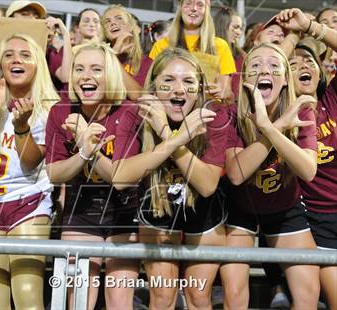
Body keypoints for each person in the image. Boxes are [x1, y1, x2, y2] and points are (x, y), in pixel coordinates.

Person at [112, 47, 229, 309]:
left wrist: (166, 132)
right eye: (169, 81)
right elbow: (120, 178)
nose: (179, 89)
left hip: (204, 210)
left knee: (198, 296)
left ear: (199, 90)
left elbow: (208, 185)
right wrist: (178, 136)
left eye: (188, 81)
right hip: (158, 205)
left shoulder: (215, 116)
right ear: (153, 87)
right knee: (163, 297)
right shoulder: (135, 113)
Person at [220, 42, 320, 310]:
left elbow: (308, 170)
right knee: (234, 292)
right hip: (240, 210)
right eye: (255, 65)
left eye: (274, 65)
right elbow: (236, 174)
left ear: (286, 80)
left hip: (285, 208)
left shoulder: (302, 110)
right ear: (244, 80)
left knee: (309, 292)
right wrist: (274, 127)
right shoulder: (231, 113)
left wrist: (268, 127)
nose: (264, 70)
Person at [45, 41, 140, 310]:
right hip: (81, 210)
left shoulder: (128, 112)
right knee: (79, 301)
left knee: (120, 300)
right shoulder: (60, 111)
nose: (86, 76)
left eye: (96, 69)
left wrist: (87, 144)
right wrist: (83, 152)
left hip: (124, 211)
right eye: (79, 69)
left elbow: (120, 179)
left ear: (110, 75)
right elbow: (54, 173)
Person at [0, 33, 57, 309]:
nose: (16, 59)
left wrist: (21, 126)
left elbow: (30, 162)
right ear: (1, 64)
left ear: (38, 64)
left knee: (29, 298)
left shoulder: (49, 105)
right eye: (9, 54)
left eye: (26, 54)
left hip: (29, 202)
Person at [277, 8, 337, 309]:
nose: (303, 65)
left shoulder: (332, 100)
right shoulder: (279, 112)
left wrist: (310, 26)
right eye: (293, 63)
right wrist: (291, 38)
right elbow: (265, 66)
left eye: (309, 61)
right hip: (316, 220)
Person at [149, 0, 236, 100]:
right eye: (188, 3)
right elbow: (150, 86)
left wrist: (223, 92)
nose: (194, 8)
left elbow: (227, 92)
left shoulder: (220, 46)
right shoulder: (161, 46)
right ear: (180, 8)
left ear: (206, 10)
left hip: (207, 109)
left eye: (200, 5)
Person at [102, 4, 153, 100]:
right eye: (107, 21)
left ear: (130, 26)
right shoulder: (100, 56)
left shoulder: (147, 62)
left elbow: (137, 96)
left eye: (119, 18)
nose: (113, 23)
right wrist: (113, 53)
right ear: (104, 31)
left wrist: (113, 57)